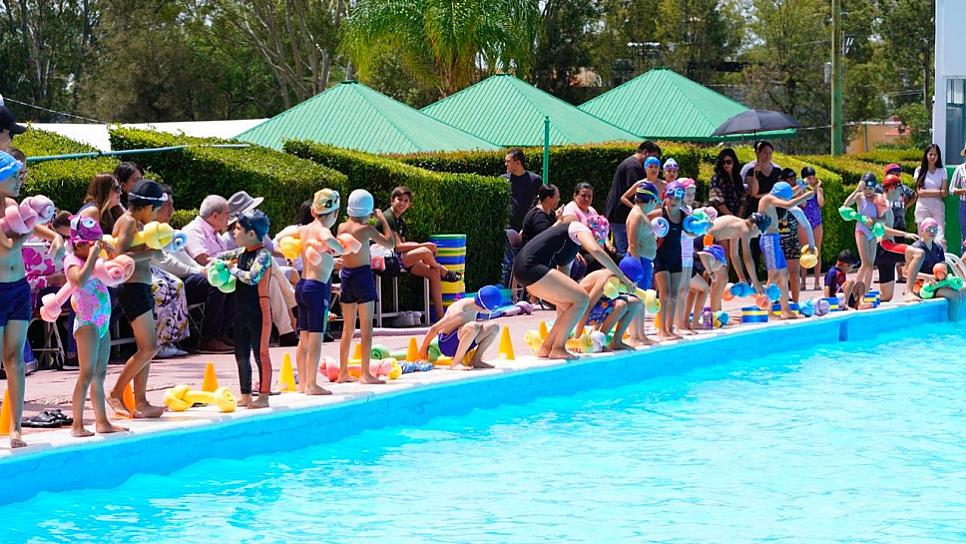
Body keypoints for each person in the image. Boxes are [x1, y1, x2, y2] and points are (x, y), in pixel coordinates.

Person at [512, 216, 634, 360]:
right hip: (530, 268)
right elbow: (595, 250)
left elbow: (564, 279)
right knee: (583, 298)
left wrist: (567, 321)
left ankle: (547, 347)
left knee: (569, 305)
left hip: (524, 271)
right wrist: (623, 277)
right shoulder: (578, 227)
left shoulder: (569, 248)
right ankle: (558, 348)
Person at [108, 180, 166, 419]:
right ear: (145, 206)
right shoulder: (128, 221)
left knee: (147, 349)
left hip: (141, 287)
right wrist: (149, 252)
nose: (155, 215)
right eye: (155, 209)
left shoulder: (136, 223)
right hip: (131, 289)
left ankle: (141, 402)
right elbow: (119, 255)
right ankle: (115, 393)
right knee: (149, 347)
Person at [65, 216, 127, 438]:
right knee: (86, 373)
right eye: (90, 243)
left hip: (103, 320)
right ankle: (77, 424)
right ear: (78, 243)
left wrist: (108, 250)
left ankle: (102, 422)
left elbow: (115, 263)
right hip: (87, 322)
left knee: (100, 374)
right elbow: (79, 281)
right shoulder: (72, 261)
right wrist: (93, 256)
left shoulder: (94, 258)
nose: (94, 248)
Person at [211, 210, 275, 408]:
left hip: (259, 312)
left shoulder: (263, 255)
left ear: (252, 234)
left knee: (261, 354)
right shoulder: (240, 253)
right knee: (240, 354)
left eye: (238, 229)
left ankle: (263, 396)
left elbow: (252, 277)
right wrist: (216, 266)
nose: (234, 233)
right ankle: (245, 394)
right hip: (241, 311)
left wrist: (231, 269)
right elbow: (218, 257)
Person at [223, 191, 299, 346]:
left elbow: (269, 249)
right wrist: (231, 266)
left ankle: (287, 331)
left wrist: (287, 255)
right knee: (271, 275)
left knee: (272, 279)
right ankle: (292, 311)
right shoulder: (231, 238)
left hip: (260, 271)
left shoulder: (256, 232)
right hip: (244, 275)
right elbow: (231, 258)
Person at [336, 189, 395, 383]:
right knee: (366, 328)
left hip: (346, 275)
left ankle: (343, 372)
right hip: (362, 276)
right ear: (368, 210)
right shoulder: (367, 229)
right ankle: (365, 373)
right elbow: (390, 243)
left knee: (348, 328)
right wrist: (383, 218)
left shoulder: (341, 227)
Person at [383, 186, 460, 323]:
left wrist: (421, 255)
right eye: (399, 199)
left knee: (433, 272)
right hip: (388, 259)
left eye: (406, 201)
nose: (402, 203)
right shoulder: (388, 217)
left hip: (400, 259)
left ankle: (441, 318)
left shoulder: (401, 221)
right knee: (426, 251)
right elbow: (399, 247)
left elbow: (404, 248)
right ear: (392, 200)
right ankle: (443, 270)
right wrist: (423, 246)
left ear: (409, 204)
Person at [293, 189, 343, 395]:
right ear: (334, 214)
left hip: (303, 285)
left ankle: (304, 383)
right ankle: (312, 384)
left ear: (313, 210)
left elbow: (282, 236)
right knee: (316, 338)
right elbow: (336, 245)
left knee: (303, 338)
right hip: (316, 289)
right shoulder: (323, 231)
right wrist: (338, 247)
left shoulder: (304, 230)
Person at [0, 152, 31, 447]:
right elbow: (7, 249)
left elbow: (32, 221)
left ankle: (16, 427)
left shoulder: (12, 206)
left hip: (19, 288)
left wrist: (54, 234)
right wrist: (29, 230)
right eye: (12, 177)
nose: (19, 182)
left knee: (15, 360)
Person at [181, 195, 234, 353]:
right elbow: (202, 259)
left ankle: (222, 332)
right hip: (191, 278)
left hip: (209, 273)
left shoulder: (216, 233)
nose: (229, 218)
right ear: (215, 215)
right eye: (227, 214)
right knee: (218, 281)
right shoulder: (194, 230)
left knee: (239, 281)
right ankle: (208, 337)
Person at [757, 181, 814, 319]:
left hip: (774, 239)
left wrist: (802, 186)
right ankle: (766, 309)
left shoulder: (773, 197)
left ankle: (785, 310)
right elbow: (788, 203)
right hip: (768, 239)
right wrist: (806, 196)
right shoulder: (767, 198)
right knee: (773, 276)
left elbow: (787, 197)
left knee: (784, 275)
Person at [418, 285, 501, 369]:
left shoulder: (475, 305)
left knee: (494, 327)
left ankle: (476, 360)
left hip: (459, 341)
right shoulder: (459, 313)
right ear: (484, 309)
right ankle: (455, 363)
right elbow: (435, 328)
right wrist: (423, 349)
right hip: (446, 345)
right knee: (473, 327)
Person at [605, 140, 661, 257]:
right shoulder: (633, 166)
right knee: (625, 252)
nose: (653, 164)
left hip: (619, 215)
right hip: (620, 216)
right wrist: (640, 211)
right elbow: (637, 195)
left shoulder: (632, 164)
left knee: (623, 251)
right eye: (653, 157)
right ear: (645, 152)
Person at [873, 174, 922, 303]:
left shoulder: (886, 203)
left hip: (885, 250)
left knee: (886, 296)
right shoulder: (883, 204)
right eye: (900, 191)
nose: (901, 195)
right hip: (884, 246)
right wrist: (905, 234)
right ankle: (909, 291)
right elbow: (881, 228)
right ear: (892, 188)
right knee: (918, 254)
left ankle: (862, 298)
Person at [623, 182, 661, 345]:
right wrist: (637, 269)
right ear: (651, 200)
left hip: (643, 262)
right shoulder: (637, 215)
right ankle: (635, 335)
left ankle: (640, 334)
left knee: (641, 299)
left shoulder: (638, 213)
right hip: (639, 262)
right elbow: (633, 243)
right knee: (637, 298)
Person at [500, 148, 543, 286]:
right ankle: (508, 292)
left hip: (528, 228)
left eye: (508, 161)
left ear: (518, 163)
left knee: (526, 262)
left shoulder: (535, 180)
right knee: (507, 263)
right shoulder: (503, 181)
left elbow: (539, 203)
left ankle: (525, 293)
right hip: (508, 227)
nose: (505, 164)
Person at [908, 218, 963, 321]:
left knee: (962, 290)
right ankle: (953, 324)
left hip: (936, 284)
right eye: (929, 229)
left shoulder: (938, 248)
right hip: (920, 285)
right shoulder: (915, 248)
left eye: (935, 229)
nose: (932, 232)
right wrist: (926, 277)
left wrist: (946, 279)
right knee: (955, 296)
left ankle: (955, 321)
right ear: (922, 230)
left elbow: (942, 268)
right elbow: (905, 272)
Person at [653, 181, 688, 339]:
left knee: (674, 295)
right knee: (665, 295)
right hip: (661, 257)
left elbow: (693, 231)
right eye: (672, 198)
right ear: (665, 198)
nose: (674, 202)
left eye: (678, 200)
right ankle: (661, 330)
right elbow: (642, 220)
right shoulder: (660, 213)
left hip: (676, 257)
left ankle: (669, 329)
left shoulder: (683, 216)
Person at [576, 268, 641, 351]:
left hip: (595, 308)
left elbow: (604, 300)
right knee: (621, 305)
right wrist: (577, 340)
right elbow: (586, 307)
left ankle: (616, 341)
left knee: (634, 302)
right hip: (578, 313)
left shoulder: (616, 279)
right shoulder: (606, 280)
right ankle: (598, 341)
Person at [842, 173, 884, 303]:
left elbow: (883, 218)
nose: (868, 192)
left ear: (875, 187)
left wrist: (874, 220)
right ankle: (855, 289)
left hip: (873, 231)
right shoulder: (860, 196)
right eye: (865, 189)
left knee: (871, 264)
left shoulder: (879, 198)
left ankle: (864, 293)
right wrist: (857, 189)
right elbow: (845, 205)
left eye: (870, 189)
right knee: (865, 262)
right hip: (861, 230)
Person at [707, 213, 770, 293]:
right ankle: (715, 305)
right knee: (722, 279)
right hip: (706, 239)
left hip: (705, 238)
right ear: (755, 226)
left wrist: (742, 278)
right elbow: (747, 258)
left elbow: (734, 255)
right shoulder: (745, 230)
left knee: (718, 279)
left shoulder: (739, 226)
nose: (758, 236)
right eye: (760, 232)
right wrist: (756, 283)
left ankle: (714, 304)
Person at [776, 169, 803, 303]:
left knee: (794, 274)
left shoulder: (794, 204)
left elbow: (806, 224)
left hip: (792, 241)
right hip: (778, 242)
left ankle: (796, 302)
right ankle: (780, 300)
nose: (792, 182)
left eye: (794, 179)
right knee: (778, 275)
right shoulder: (773, 202)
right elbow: (788, 202)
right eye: (789, 179)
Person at [913, 144, 948, 246]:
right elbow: (919, 192)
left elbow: (944, 192)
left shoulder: (942, 171)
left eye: (935, 155)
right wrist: (938, 192)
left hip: (937, 206)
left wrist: (927, 192)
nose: (933, 157)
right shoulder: (919, 171)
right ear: (926, 155)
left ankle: (941, 259)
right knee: (923, 235)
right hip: (922, 207)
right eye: (930, 154)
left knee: (939, 236)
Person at [798, 166, 825, 291]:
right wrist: (805, 189)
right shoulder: (800, 190)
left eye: (813, 178)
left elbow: (821, 203)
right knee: (804, 252)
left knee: (816, 251)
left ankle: (816, 281)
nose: (811, 180)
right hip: (804, 222)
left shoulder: (817, 190)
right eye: (808, 178)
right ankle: (803, 281)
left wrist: (818, 190)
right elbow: (803, 204)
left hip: (816, 222)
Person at [743, 140, 781, 219]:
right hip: (757, 207)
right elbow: (753, 194)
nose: (767, 155)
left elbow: (779, 192)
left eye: (770, 153)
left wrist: (761, 196)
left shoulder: (778, 171)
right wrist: (755, 174)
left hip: (774, 206)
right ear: (758, 153)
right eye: (764, 152)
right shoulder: (750, 171)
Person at [709, 148, 746, 218]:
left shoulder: (738, 178)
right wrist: (732, 217)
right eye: (723, 162)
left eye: (729, 162)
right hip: (722, 218)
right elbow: (716, 200)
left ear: (734, 162)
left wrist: (739, 217)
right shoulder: (717, 178)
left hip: (738, 216)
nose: (726, 164)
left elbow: (743, 198)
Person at [949, 148, 966, 249]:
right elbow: (951, 189)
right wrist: (963, 191)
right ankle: (963, 263)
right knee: (964, 236)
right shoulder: (960, 169)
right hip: (964, 204)